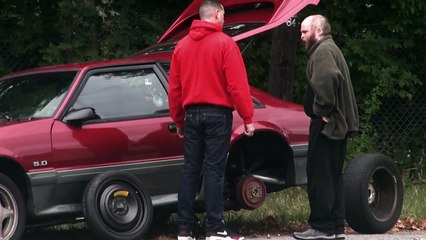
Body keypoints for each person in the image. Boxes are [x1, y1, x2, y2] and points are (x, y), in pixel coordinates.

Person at [168, 0, 255, 239]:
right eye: (224, 15)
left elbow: (174, 88)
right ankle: (215, 228)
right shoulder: (226, 44)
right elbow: (237, 85)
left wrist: (178, 119)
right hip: (217, 114)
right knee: (214, 171)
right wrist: (248, 117)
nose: (225, 19)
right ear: (216, 14)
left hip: (192, 115)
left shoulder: (181, 46)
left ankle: (184, 229)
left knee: (190, 170)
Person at [293, 15, 359, 240]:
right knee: (333, 176)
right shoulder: (331, 48)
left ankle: (321, 226)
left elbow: (329, 76)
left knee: (320, 176)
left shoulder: (322, 52)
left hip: (328, 127)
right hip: (338, 127)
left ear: (318, 30)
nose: (301, 37)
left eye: (304, 32)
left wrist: (323, 109)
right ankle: (336, 227)